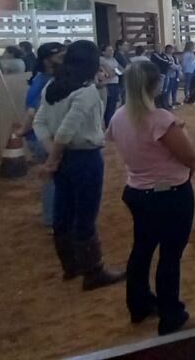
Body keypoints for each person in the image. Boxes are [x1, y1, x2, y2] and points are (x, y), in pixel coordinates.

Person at [106, 61, 195, 335]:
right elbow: (189, 156)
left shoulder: (119, 116)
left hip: (137, 191)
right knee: (170, 254)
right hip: (170, 193)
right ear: (155, 85)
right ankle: (172, 316)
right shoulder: (160, 119)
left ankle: (139, 304)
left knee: (142, 248)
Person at [33, 40, 124, 291]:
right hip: (84, 157)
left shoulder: (53, 86)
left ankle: (70, 266)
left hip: (63, 158)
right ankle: (93, 271)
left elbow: (39, 122)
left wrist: (53, 154)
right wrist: (52, 159)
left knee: (63, 210)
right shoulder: (86, 91)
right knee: (85, 214)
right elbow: (67, 130)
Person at [17, 42, 65, 226]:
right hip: (43, 137)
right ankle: (51, 219)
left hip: (43, 135)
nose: (64, 60)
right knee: (52, 178)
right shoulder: (45, 81)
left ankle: (53, 217)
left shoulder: (44, 78)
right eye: (59, 57)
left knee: (53, 178)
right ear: (47, 60)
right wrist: (23, 129)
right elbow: (32, 112)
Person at [99, 44, 123, 127]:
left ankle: (112, 124)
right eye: (109, 50)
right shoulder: (101, 60)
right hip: (108, 85)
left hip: (115, 83)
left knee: (114, 106)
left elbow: (121, 70)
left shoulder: (113, 59)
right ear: (103, 52)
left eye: (112, 50)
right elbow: (110, 73)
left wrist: (115, 72)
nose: (112, 52)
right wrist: (115, 72)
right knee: (108, 107)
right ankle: (108, 125)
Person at [150, 45, 177, 110]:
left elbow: (166, 61)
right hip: (160, 74)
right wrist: (169, 62)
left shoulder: (163, 55)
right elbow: (162, 61)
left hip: (165, 74)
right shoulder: (154, 55)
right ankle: (159, 105)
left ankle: (165, 104)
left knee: (165, 90)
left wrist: (168, 62)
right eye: (157, 47)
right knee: (159, 90)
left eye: (160, 47)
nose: (159, 48)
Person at [114, 40, 132, 105]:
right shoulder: (117, 56)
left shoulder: (125, 56)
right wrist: (122, 71)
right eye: (125, 45)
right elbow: (116, 69)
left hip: (127, 80)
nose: (127, 46)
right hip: (121, 81)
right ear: (119, 46)